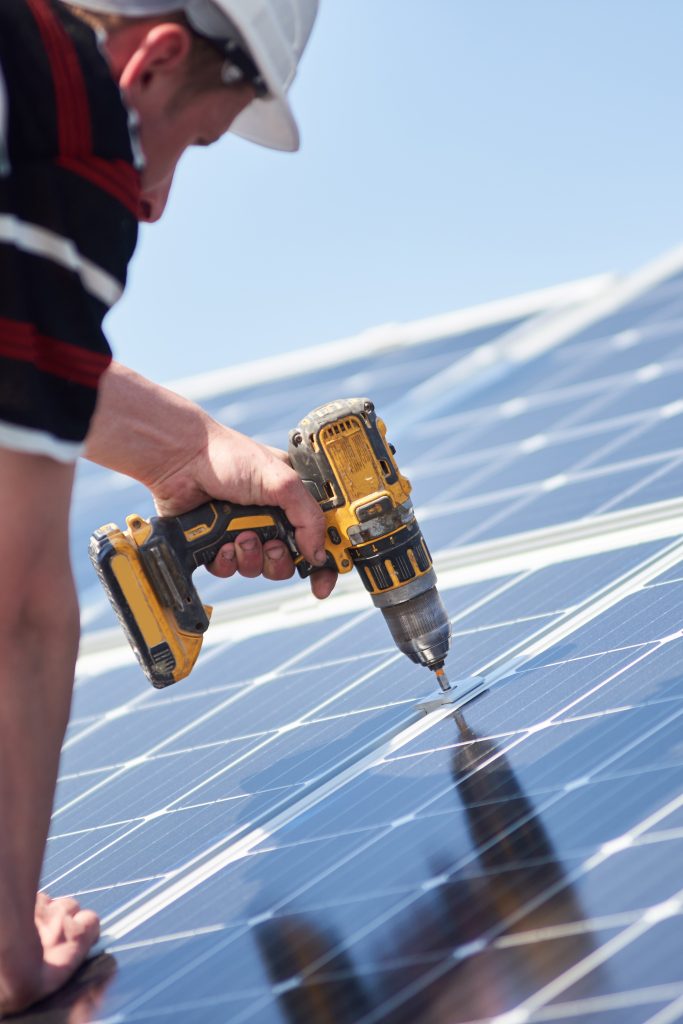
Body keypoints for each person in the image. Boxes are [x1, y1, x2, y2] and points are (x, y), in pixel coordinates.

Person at [0, 0, 333, 1012]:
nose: (156, 201)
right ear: (154, 62)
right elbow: (13, 609)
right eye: (193, 139)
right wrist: (8, 944)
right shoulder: (61, 114)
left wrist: (185, 450)